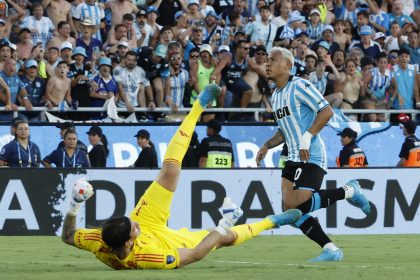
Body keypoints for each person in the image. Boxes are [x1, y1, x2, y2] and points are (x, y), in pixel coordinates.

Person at [61, 83, 302, 270]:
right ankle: (274, 220)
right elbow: (196, 255)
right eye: (133, 227)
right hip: (167, 241)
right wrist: (222, 225)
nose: (134, 224)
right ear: (128, 242)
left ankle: (198, 106)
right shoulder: (150, 258)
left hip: (149, 219)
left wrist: (74, 204)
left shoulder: (100, 240)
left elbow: (69, 236)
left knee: (170, 171)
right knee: (223, 238)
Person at [256, 47, 371, 262]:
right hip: (292, 157)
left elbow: (326, 110)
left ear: (288, 65)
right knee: (290, 211)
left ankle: (350, 190)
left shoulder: (299, 85)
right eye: (267, 60)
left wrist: (307, 138)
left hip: (311, 155)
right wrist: (267, 145)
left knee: (297, 206)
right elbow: (285, 129)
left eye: (273, 60)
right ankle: (330, 249)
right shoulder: (276, 95)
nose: (268, 63)